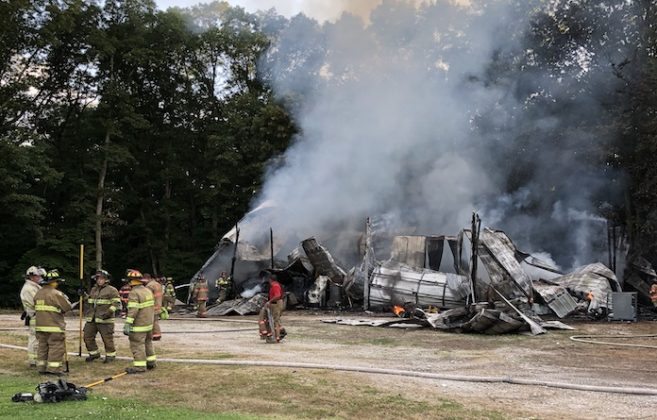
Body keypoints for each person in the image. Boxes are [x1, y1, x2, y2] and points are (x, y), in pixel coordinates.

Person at [34, 269, 72, 375]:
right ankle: (54, 369)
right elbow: (67, 307)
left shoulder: (38, 293)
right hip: (54, 326)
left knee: (42, 347)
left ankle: (41, 368)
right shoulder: (56, 293)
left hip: (40, 326)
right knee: (56, 347)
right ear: (54, 282)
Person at [82, 269, 121, 363]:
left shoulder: (112, 290)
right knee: (87, 336)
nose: (99, 280)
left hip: (105, 319)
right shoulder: (94, 289)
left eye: (101, 278)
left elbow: (116, 304)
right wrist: (83, 295)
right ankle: (94, 354)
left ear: (106, 279)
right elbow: (90, 302)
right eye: (97, 278)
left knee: (107, 339)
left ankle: (110, 356)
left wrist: (108, 313)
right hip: (92, 319)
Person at [122, 269, 156, 374]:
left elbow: (133, 310)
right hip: (149, 324)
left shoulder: (134, 293)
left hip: (139, 325)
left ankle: (140, 367)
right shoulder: (147, 290)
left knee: (137, 344)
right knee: (148, 342)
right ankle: (151, 363)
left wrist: (128, 323)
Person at [20, 266, 43, 367]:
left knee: (39, 339)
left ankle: (37, 358)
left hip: (39, 316)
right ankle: (33, 360)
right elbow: (36, 303)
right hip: (34, 316)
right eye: (38, 276)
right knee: (34, 339)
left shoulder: (34, 286)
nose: (40, 278)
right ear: (32, 277)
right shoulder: (28, 288)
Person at [258, 273, 286, 342]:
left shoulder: (275, 286)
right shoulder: (274, 285)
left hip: (277, 304)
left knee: (275, 321)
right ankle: (271, 334)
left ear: (270, 279)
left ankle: (278, 336)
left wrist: (269, 301)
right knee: (272, 320)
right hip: (274, 304)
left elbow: (277, 295)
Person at [144, 273, 163, 340]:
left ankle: (155, 335)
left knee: (152, 321)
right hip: (158, 305)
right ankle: (157, 334)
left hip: (152, 306)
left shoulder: (149, 286)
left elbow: (147, 296)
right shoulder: (157, 284)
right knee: (155, 321)